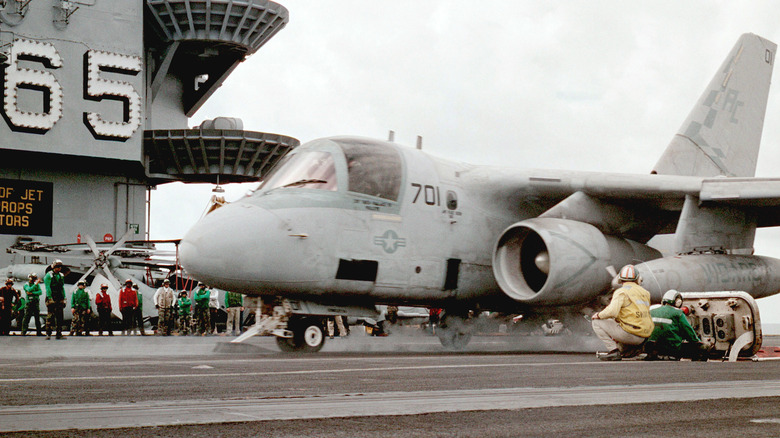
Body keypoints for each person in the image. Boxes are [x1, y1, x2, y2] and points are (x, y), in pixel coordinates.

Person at [591, 264, 654, 361]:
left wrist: (598, 315)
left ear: (620, 279)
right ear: (638, 279)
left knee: (596, 322)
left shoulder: (621, 292)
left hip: (631, 335)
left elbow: (612, 311)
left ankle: (614, 351)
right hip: (644, 336)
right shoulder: (645, 292)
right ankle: (632, 349)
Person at [645, 290, 706, 360]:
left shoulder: (652, 309)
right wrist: (698, 342)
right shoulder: (678, 313)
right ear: (678, 302)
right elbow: (689, 332)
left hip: (651, 348)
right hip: (672, 348)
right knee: (702, 348)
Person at [44, 260, 67, 339]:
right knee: (50, 315)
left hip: (59, 297)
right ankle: (48, 333)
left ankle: (59, 333)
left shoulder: (61, 275)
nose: (59, 268)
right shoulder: (49, 275)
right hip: (52, 296)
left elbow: (62, 287)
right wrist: (49, 297)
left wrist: (64, 298)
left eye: (60, 267)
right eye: (57, 267)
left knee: (60, 316)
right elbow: (48, 287)